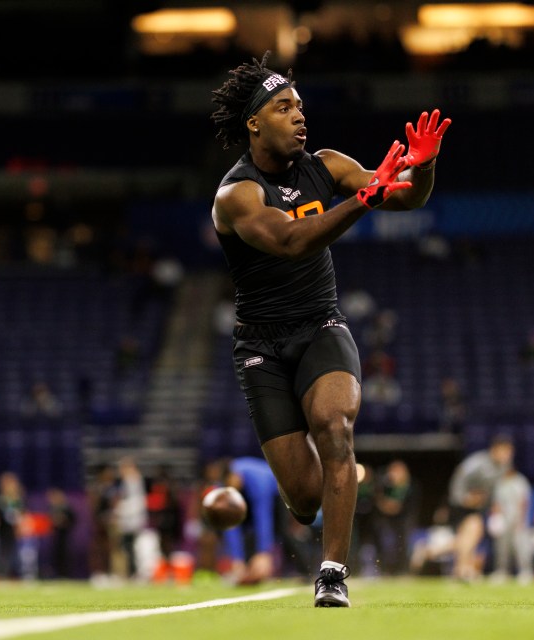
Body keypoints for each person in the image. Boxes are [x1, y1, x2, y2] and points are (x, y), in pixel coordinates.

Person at [210, 52, 450, 607]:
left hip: (321, 325)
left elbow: (406, 194)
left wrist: (425, 166)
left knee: (335, 427)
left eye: (300, 106)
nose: (300, 116)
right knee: (303, 498)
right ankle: (331, 496)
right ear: (253, 122)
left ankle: (333, 573)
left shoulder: (328, 163)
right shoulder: (236, 195)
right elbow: (293, 241)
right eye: (283, 107)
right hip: (261, 346)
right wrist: (364, 199)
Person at [447, 435, 514, 581]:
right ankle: (462, 569)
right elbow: (459, 478)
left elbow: (494, 488)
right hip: (461, 506)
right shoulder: (477, 463)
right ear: (494, 450)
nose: (507, 456)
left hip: (479, 507)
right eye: (504, 452)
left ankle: (454, 565)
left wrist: (494, 504)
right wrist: (465, 499)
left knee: (467, 538)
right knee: (471, 534)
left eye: (509, 453)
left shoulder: (504, 466)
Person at [219, 457, 282, 585]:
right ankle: (247, 570)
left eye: (232, 483)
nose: (231, 488)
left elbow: (263, 518)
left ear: (235, 475)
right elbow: (231, 524)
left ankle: (301, 572)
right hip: (247, 495)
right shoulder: (227, 487)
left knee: (284, 532)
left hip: (276, 494)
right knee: (244, 530)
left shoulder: (258, 481)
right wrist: (237, 559)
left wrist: (263, 553)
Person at [489, 465, 533, 583]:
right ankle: (502, 571)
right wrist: (496, 518)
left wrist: (521, 520)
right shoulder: (499, 482)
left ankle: (525, 571)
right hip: (503, 519)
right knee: (502, 547)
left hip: (517, 518)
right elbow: (495, 502)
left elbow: (524, 501)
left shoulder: (520, 481)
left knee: (520, 546)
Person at [375, 459, 417, 575]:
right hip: (387, 520)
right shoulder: (385, 485)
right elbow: (379, 500)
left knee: (402, 544)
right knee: (384, 543)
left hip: (404, 521)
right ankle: (384, 570)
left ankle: (403, 570)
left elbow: (400, 506)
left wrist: (391, 506)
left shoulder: (409, 486)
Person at [45, 488, 75, 579]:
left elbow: (72, 520)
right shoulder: (52, 508)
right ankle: (57, 574)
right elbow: (49, 521)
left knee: (65, 556)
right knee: (55, 556)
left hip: (64, 536)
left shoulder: (66, 508)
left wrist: (63, 521)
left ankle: (65, 574)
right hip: (55, 537)